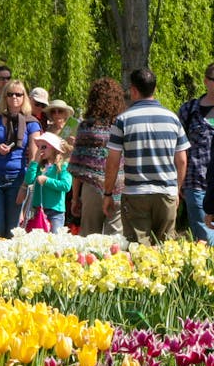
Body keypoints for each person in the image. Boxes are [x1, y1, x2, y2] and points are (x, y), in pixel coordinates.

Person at [103, 67, 190, 245]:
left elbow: (112, 162)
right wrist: (176, 190)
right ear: (154, 89)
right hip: (166, 192)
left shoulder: (123, 120)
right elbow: (181, 160)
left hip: (136, 194)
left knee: (138, 250)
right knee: (165, 250)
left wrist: (108, 193)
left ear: (133, 90)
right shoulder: (172, 119)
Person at [0, 80, 40, 238]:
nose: (14, 97)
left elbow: (34, 157)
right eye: (10, 94)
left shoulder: (32, 123)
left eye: (19, 94)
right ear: (4, 96)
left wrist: (26, 186)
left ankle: (8, 263)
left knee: (13, 230)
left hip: (17, 179)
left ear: (24, 97)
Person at [69, 78, 126, 236]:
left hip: (92, 187)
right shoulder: (123, 127)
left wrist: (75, 198)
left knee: (90, 237)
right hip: (119, 185)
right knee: (115, 239)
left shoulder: (87, 127)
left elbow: (78, 167)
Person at [179, 63, 214, 244]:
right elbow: (177, 147)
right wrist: (179, 182)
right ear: (206, 81)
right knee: (205, 240)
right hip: (196, 183)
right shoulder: (190, 110)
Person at [23, 132, 72, 233]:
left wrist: (47, 181)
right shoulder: (39, 166)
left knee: (54, 241)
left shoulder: (62, 166)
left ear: (54, 148)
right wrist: (35, 162)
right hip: (38, 209)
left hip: (55, 212)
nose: (40, 150)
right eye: (38, 147)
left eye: (44, 147)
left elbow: (66, 185)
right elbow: (28, 180)